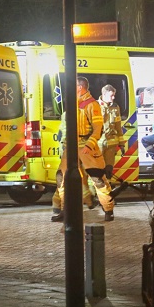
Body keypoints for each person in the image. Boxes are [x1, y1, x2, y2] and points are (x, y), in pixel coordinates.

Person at [51, 76, 115, 222]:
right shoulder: (74, 104)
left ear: (80, 87)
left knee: (98, 179)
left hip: (87, 147)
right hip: (72, 146)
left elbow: (98, 128)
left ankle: (108, 209)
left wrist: (89, 144)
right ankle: (64, 210)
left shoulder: (92, 105)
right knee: (61, 177)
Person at [98, 84, 125, 181]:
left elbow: (118, 126)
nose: (113, 97)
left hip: (111, 144)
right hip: (98, 144)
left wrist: (122, 144)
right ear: (104, 94)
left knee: (109, 170)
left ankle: (107, 191)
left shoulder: (115, 107)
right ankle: (96, 194)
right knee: (97, 170)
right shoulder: (95, 106)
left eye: (114, 95)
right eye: (111, 95)